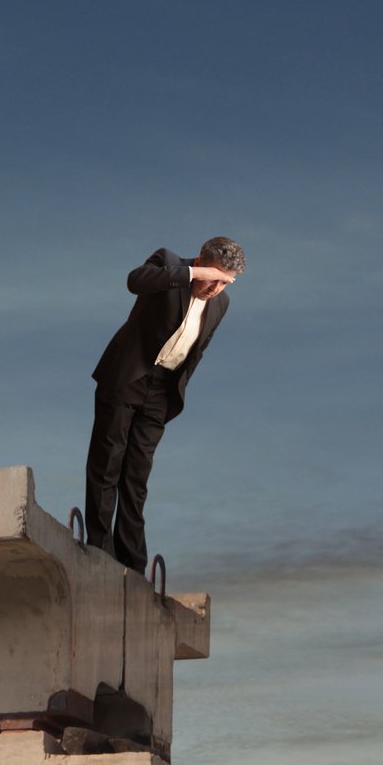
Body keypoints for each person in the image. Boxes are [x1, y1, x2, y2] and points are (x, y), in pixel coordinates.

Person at [84, 237, 245, 570]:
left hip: (162, 389)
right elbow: (135, 281)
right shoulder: (168, 262)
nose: (215, 289)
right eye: (212, 278)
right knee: (108, 462)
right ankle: (99, 550)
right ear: (199, 262)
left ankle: (133, 564)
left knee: (137, 477)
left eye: (225, 283)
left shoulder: (222, 303)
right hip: (128, 375)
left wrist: (176, 389)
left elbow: (199, 349)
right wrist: (193, 274)